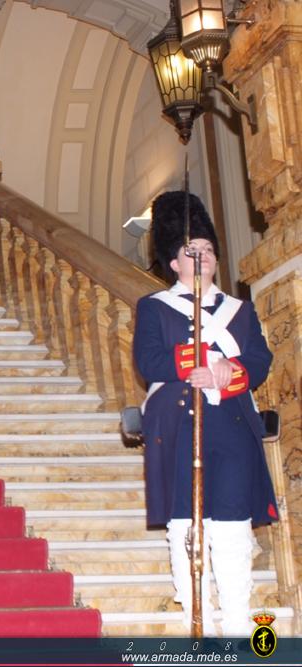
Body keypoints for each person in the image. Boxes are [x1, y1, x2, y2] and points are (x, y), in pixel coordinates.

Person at [134, 191, 277, 637]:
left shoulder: (241, 311)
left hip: (230, 424)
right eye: (191, 252)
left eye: (209, 250)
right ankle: (196, 615)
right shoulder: (154, 308)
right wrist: (194, 367)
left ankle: (237, 624)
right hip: (177, 424)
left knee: (232, 523)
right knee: (184, 521)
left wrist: (226, 372)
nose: (203, 258)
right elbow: (150, 361)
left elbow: (259, 359)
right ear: (173, 263)